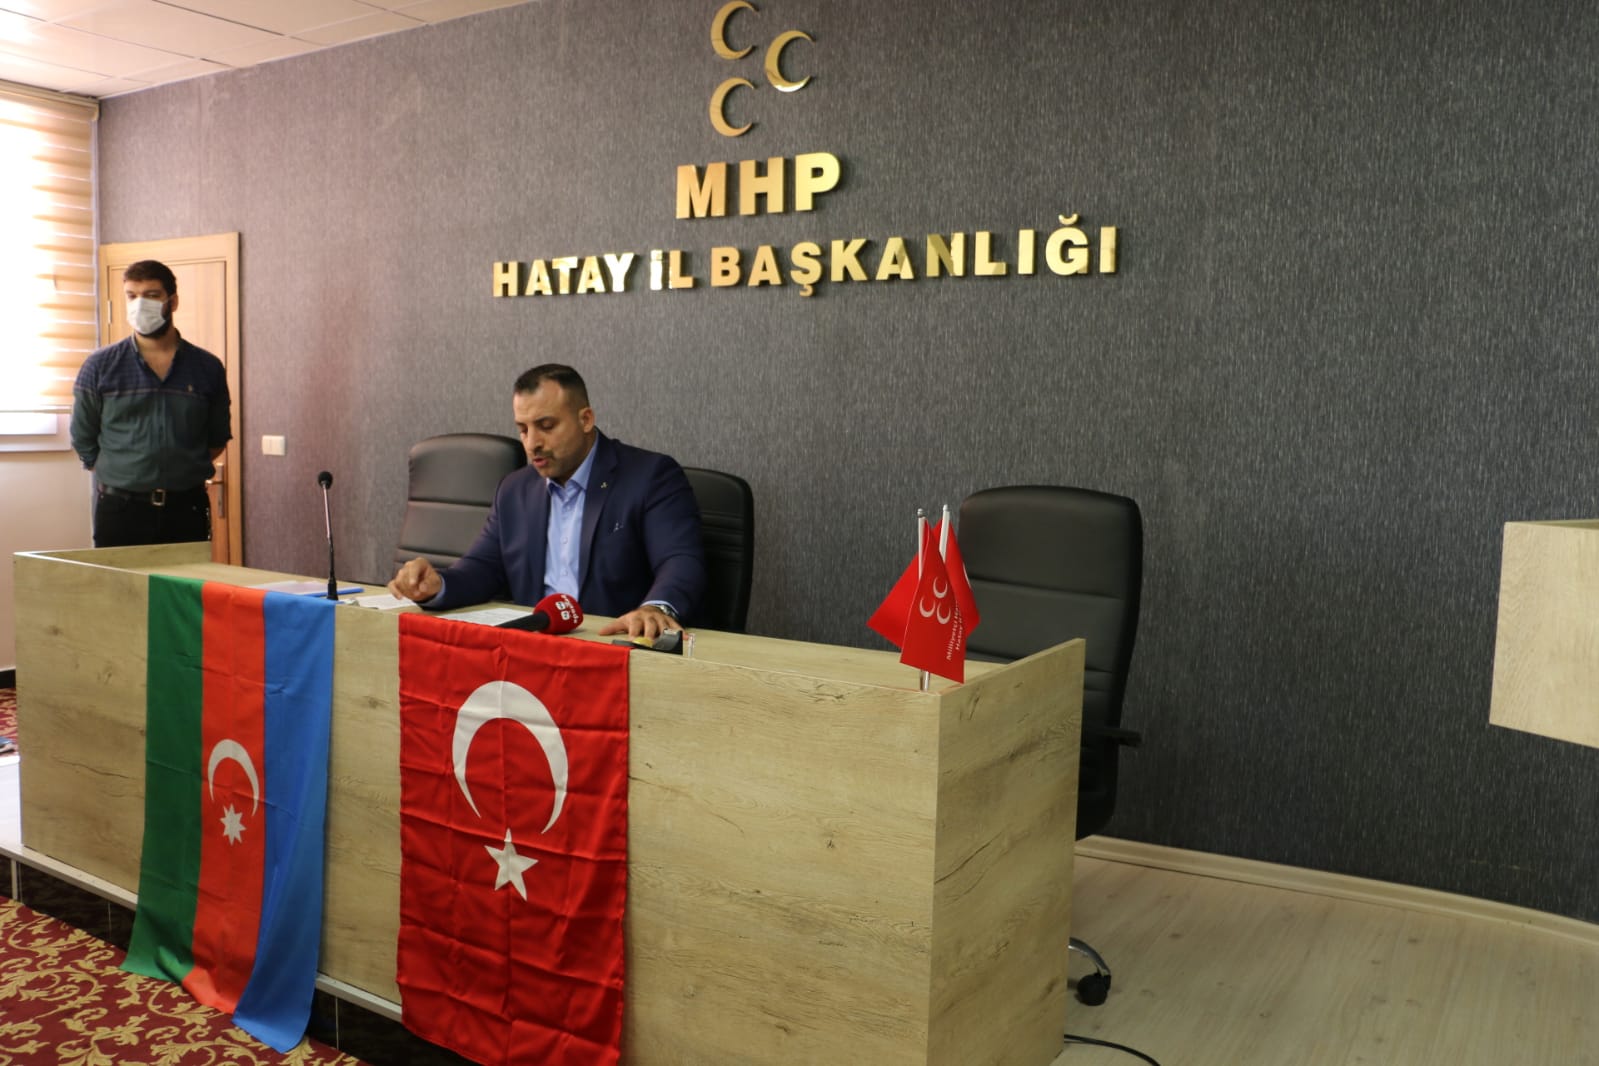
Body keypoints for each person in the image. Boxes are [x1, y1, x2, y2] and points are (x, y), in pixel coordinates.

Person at [389, 364, 705, 640]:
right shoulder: (514, 489)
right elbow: (482, 568)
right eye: (523, 429)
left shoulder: (650, 476)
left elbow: (680, 560)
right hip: (535, 649)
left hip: (615, 644)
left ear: (586, 419)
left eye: (546, 426)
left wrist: (655, 608)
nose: (532, 443)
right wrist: (437, 585)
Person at [70, 260, 231, 548]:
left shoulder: (207, 367)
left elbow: (216, 439)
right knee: (120, 580)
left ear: (173, 301)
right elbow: (83, 438)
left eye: (152, 295)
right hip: (120, 510)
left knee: (185, 580)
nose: (140, 304)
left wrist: (180, 468)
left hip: (186, 509)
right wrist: (126, 472)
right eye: (132, 296)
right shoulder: (100, 366)